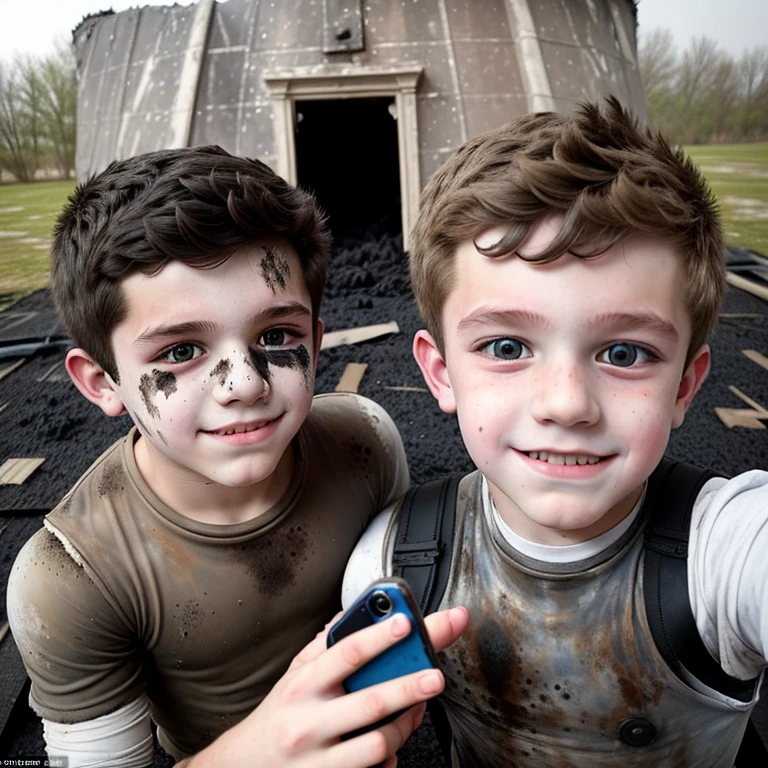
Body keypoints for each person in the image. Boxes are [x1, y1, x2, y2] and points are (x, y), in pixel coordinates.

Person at [6, 145, 469, 767]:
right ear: (102, 381)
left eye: (277, 336)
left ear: (316, 337)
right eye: (179, 352)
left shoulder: (366, 443)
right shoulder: (70, 577)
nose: (245, 384)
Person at [343, 97, 768, 767]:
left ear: (685, 384)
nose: (567, 404)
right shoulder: (391, 564)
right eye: (508, 347)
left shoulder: (727, 557)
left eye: (624, 353)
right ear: (441, 371)